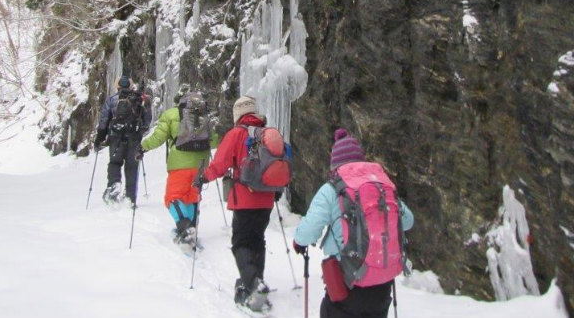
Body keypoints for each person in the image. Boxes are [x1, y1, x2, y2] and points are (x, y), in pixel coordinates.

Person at [292, 129, 414, 318]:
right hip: (383, 284)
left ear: (335, 164)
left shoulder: (332, 189)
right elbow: (407, 221)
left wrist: (299, 242)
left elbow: (308, 230)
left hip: (348, 282)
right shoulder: (383, 186)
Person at [193, 95, 276, 312]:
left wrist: (203, 177)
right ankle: (257, 280)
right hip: (267, 199)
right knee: (258, 239)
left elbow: (220, 164)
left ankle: (253, 284)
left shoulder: (237, 134)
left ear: (238, 114)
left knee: (241, 242)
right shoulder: (267, 133)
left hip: (245, 198)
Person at [141, 86, 218, 244]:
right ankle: (191, 229)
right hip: (201, 165)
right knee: (192, 198)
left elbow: (158, 137)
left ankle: (184, 227)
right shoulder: (204, 116)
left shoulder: (171, 114)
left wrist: (142, 146)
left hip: (180, 165)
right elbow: (215, 140)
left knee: (173, 197)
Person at [94, 75, 151, 205]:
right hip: (134, 139)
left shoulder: (112, 99)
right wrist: (140, 132)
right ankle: (130, 198)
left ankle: (114, 185)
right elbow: (147, 119)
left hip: (116, 137)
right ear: (131, 86)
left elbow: (104, 121)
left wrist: (99, 138)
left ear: (117, 86)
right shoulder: (139, 99)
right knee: (132, 167)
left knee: (114, 163)